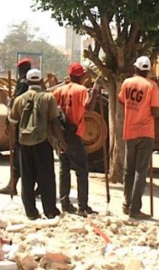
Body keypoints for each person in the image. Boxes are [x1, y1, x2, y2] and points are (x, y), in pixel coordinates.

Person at [8, 68, 66, 220]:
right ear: (41, 81)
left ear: (27, 82)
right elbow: (54, 122)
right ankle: (50, 210)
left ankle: (31, 212)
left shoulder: (19, 99)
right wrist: (61, 142)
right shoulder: (48, 98)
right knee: (46, 176)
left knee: (27, 177)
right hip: (43, 142)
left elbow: (12, 123)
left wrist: (12, 144)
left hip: (24, 143)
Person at [53, 62, 100, 216]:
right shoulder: (81, 90)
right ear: (82, 76)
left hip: (61, 134)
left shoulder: (60, 90)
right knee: (81, 170)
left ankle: (65, 203)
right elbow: (89, 108)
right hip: (75, 134)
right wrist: (95, 94)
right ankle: (82, 206)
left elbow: (53, 111)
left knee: (64, 169)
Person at [118, 56, 159, 219]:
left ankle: (126, 203)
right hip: (145, 132)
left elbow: (121, 99)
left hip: (129, 130)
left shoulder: (127, 83)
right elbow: (156, 112)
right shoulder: (152, 86)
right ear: (148, 70)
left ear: (136, 68)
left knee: (129, 170)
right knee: (140, 171)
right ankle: (135, 208)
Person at [0, 58, 32, 195]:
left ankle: (13, 185)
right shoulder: (34, 83)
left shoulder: (22, 83)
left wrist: (9, 120)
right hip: (31, 125)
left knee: (18, 156)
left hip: (20, 125)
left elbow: (16, 104)